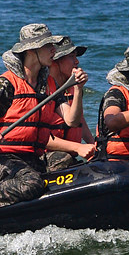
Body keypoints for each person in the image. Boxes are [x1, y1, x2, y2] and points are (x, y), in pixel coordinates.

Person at [0, 24, 95, 216]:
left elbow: (71, 120)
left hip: (32, 157)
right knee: (32, 184)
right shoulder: (5, 84)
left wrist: (78, 89)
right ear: (31, 50)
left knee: (64, 178)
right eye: (48, 46)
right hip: (3, 158)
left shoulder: (49, 84)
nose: (53, 50)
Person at [45, 35, 95, 170]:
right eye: (71, 57)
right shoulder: (42, 91)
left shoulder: (74, 88)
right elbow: (39, 137)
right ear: (56, 61)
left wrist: (94, 146)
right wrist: (78, 147)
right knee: (64, 160)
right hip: (44, 156)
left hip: (69, 154)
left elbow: (80, 121)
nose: (77, 61)